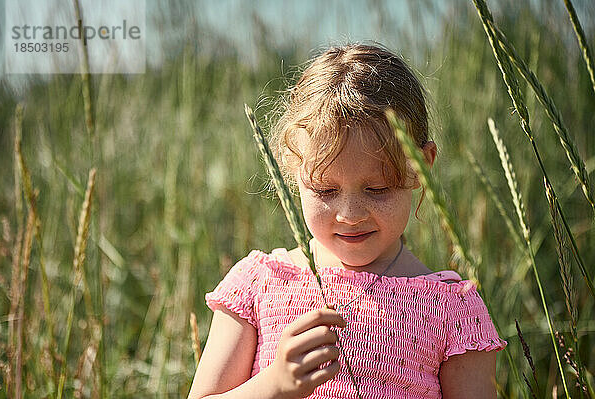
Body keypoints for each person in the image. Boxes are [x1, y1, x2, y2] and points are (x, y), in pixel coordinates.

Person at [188, 43, 506, 399]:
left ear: (422, 165)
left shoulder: (454, 311)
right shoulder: (257, 284)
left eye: (377, 187)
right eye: (325, 189)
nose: (350, 215)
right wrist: (273, 385)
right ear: (294, 168)